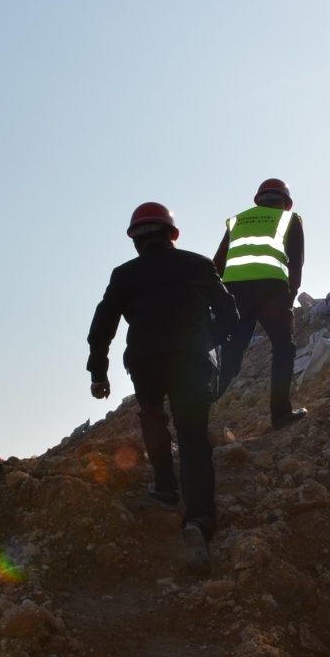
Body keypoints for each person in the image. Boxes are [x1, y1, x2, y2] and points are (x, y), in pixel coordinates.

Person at [87, 202, 238, 573]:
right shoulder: (200, 265)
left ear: (136, 241)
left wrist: (98, 373)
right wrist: (204, 341)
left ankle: (166, 488)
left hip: (145, 360)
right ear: (173, 234)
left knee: (153, 415)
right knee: (192, 437)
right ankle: (198, 520)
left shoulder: (124, 275)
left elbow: (102, 325)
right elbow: (230, 315)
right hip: (191, 359)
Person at [214, 178, 306, 429]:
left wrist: (218, 299)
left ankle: (199, 410)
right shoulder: (290, 219)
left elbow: (217, 264)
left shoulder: (237, 221)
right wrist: (289, 301)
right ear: (286, 203)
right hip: (271, 291)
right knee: (283, 348)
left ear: (258, 200)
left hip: (235, 291)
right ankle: (280, 415)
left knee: (231, 353)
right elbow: (295, 265)